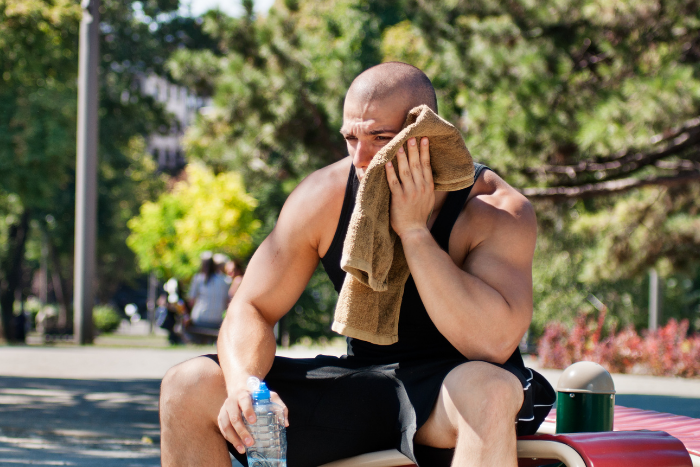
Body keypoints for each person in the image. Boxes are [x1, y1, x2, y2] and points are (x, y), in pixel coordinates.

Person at [160, 62, 556, 467]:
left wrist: (415, 233)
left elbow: (492, 343)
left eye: (379, 137)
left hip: (456, 391)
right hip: (366, 383)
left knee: (489, 390)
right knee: (187, 384)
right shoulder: (324, 196)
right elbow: (251, 306)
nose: (361, 158)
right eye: (351, 137)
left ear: (425, 133)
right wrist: (245, 383)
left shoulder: (495, 209)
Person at [186, 252, 231, 332]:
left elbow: (191, 301)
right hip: (217, 320)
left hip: (199, 318)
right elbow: (226, 302)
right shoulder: (225, 280)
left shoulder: (198, 279)